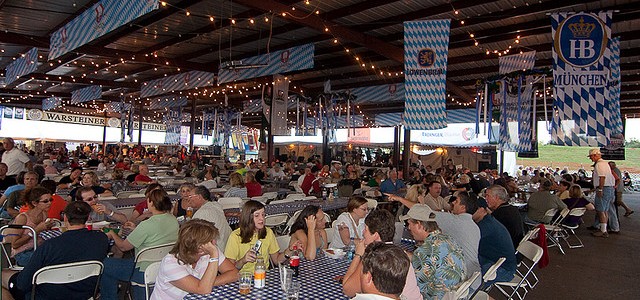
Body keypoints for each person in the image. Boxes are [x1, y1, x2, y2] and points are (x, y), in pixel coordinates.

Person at [1, 201, 109, 300]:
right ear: (88, 217)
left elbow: (22, 284)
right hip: (85, 293)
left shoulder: (49, 246)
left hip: (46, 295)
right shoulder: (101, 239)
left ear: (65, 218)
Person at [101, 189, 179, 300]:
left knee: (105, 264)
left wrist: (113, 234)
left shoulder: (146, 224)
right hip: (165, 265)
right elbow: (156, 235)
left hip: (143, 270)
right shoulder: (173, 220)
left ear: (151, 203)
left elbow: (123, 247)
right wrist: (136, 229)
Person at [150, 219, 239, 299]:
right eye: (210, 241)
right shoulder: (171, 264)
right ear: (198, 246)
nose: (214, 243)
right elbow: (203, 289)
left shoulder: (209, 251)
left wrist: (209, 282)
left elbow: (234, 273)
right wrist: (214, 257)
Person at [342, 209, 421, 299]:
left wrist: (358, 255)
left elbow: (347, 290)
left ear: (375, 235)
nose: (363, 233)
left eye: (366, 229)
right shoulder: (399, 253)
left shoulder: (376, 256)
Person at [401, 204, 465, 299]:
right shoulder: (449, 239)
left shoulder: (423, 252)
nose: (408, 228)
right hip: (457, 295)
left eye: (409, 224)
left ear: (419, 225)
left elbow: (416, 288)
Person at [224, 200, 295, 273]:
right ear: (248, 218)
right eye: (257, 215)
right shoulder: (235, 236)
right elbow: (230, 269)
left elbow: (277, 261)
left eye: (263, 215)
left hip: (264, 275)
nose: (262, 219)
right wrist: (243, 260)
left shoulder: (268, 232)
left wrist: (289, 251)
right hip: (243, 277)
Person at [434, 191, 482, 281]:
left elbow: (424, 212)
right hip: (474, 277)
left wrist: (400, 199)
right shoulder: (475, 227)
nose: (453, 203)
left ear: (463, 208)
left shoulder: (454, 221)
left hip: (462, 281)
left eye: (456, 201)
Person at [5, 187, 55, 266]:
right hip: (23, 253)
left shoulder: (44, 214)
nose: (49, 203)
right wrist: (35, 231)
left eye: (51, 200)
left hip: (38, 248)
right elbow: (15, 244)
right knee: (49, 259)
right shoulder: (23, 218)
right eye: (45, 201)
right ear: (34, 203)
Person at [472, 198, 517, 284]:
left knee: (468, 277)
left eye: (472, 210)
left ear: (482, 210)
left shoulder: (486, 225)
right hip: (493, 261)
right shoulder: (487, 220)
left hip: (503, 270)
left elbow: (470, 240)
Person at [184, 186, 232, 251]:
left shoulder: (202, 212)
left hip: (217, 251)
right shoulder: (216, 206)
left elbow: (191, 237)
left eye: (190, 196)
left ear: (199, 197)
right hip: (228, 247)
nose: (188, 199)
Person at [587, 149, 616, 238]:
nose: (591, 159)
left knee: (600, 210)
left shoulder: (599, 164)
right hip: (609, 188)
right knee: (605, 210)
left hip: (604, 188)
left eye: (591, 157)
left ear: (595, 155)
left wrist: (600, 189)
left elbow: (602, 177)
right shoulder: (605, 164)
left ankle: (603, 231)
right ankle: (604, 228)